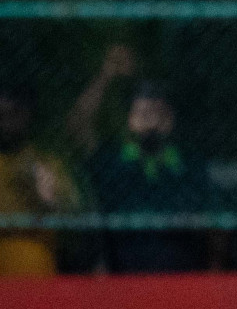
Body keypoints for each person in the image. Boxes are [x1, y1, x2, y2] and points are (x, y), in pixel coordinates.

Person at [87, 82, 210, 272]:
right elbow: (80, 128)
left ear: (169, 119)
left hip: (179, 266)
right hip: (124, 266)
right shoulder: (112, 161)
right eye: (142, 115)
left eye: (157, 114)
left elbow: (199, 210)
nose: (150, 122)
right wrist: (107, 77)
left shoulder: (188, 164)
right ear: (129, 119)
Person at [0, 82, 80, 276]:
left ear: (28, 116)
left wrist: (51, 201)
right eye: (3, 113)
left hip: (36, 270)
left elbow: (75, 217)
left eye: (15, 113)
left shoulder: (45, 163)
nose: (7, 120)